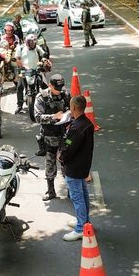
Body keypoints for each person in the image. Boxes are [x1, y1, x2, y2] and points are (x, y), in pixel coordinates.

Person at [59, 95, 94, 241]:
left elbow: (68, 148)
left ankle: (80, 228)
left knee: (77, 197)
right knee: (83, 194)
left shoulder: (76, 127)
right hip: (84, 165)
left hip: (74, 168)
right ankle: (85, 222)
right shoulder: (87, 123)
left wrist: (61, 156)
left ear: (73, 107)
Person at [33, 74, 71, 201]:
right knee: (50, 163)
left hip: (64, 135)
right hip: (49, 136)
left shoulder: (65, 94)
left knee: (66, 163)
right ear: (50, 85)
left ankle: (71, 190)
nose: (59, 90)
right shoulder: (42, 97)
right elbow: (37, 117)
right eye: (57, 88)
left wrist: (68, 115)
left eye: (61, 87)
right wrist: (54, 116)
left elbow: (72, 110)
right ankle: (50, 190)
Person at [15, 34, 49, 115]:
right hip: (24, 71)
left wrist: (44, 61)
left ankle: (48, 103)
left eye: (34, 42)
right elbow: (18, 59)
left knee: (45, 86)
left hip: (36, 70)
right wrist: (22, 66)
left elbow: (43, 55)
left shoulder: (37, 48)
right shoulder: (21, 48)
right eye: (31, 43)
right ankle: (19, 105)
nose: (33, 44)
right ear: (27, 42)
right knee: (19, 87)